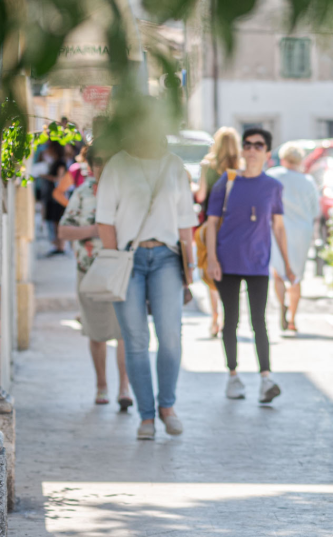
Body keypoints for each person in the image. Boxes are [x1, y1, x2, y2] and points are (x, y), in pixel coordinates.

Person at [96, 109, 199, 440]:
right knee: (136, 340)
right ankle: (146, 417)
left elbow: (186, 223)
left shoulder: (173, 165)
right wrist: (115, 261)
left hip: (168, 258)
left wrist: (190, 270)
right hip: (128, 259)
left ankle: (167, 406)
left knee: (170, 336)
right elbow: (105, 220)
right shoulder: (117, 165)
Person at [204, 128, 295, 403]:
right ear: (242, 150)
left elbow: (278, 227)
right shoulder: (227, 181)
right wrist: (212, 259)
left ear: (267, 152)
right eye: (248, 145)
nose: (252, 149)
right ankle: (233, 376)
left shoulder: (273, 186)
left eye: (258, 145)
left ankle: (266, 379)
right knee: (230, 320)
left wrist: (287, 264)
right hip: (227, 261)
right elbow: (211, 223)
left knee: (259, 321)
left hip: (258, 263)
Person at [57, 146, 133, 409]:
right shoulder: (82, 192)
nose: (102, 166)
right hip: (89, 271)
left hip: (121, 271)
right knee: (96, 332)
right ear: (89, 165)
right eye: (97, 161)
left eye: (108, 160)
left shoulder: (128, 191)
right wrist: (95, 230)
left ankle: (124, 388)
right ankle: (102, 385)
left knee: (124, 332)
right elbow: (63, 231)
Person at [266, 141, 319, 333]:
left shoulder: (272, 176)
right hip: (302, 232)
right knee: (296, 277)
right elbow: (315, 210)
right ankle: (293, 320)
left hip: (278, 229)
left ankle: (282, 306)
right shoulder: (308, 181)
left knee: (278, 274)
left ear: (282, 158)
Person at [195, 127, 242, 338]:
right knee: (230, 271)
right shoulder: (241, 167)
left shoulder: (207, 165)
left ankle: (215, 316)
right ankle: (227, 316)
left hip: (210, 225)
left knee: (210, 266)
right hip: (234, 226)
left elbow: (200, 196)